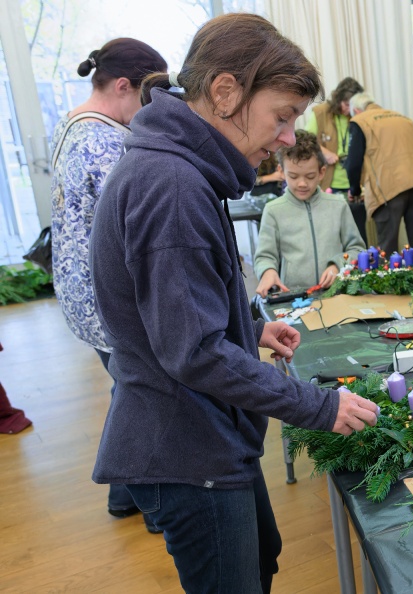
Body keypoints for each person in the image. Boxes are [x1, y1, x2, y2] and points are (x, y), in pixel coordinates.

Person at [89, 14, 378, 592]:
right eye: (282, 116)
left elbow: (177, 303)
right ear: (225, 92)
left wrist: (247, 326)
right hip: (187, 448)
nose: (289, 137)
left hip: (206, 437)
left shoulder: (178, 169)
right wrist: (319, 406)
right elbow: (194, 352)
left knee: (258, 562)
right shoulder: (172, 186)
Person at [48, 38, 167, 530]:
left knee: (127, 388)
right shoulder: (107, 144)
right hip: (110, 299)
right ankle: (155, 505)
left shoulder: (71, 124)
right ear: (122, 86)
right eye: (146, 95)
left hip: (81, 294)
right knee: (146, 398)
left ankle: (123, 495)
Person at [253, 130, 365, 296]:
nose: (302, 183)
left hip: (337, 295)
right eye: (293, 176)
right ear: (281, 171)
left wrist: (338, 265)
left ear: (321, 172)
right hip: (294, 298)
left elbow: (357, 249)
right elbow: (264, 256)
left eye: (310, 176)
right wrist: (267, 271)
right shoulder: (273, 211)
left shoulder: (338, 206)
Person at [345, 92, 413, 264]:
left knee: (387, 247)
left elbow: (353, 163)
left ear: (356, 110)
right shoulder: (403, 119)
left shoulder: (360, 121)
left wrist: (354, 190)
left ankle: (389, 282)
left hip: (388, 190)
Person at [303, 77, 367, 243]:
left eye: (351, 105)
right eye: (345, 104)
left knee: (357, 235)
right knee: (332, 236)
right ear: (338, 98)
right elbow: (305, 140)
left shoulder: (359, 114)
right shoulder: (321, 113)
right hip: (329, 184)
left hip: (355, 186)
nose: (348, 109)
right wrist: (323, 152)